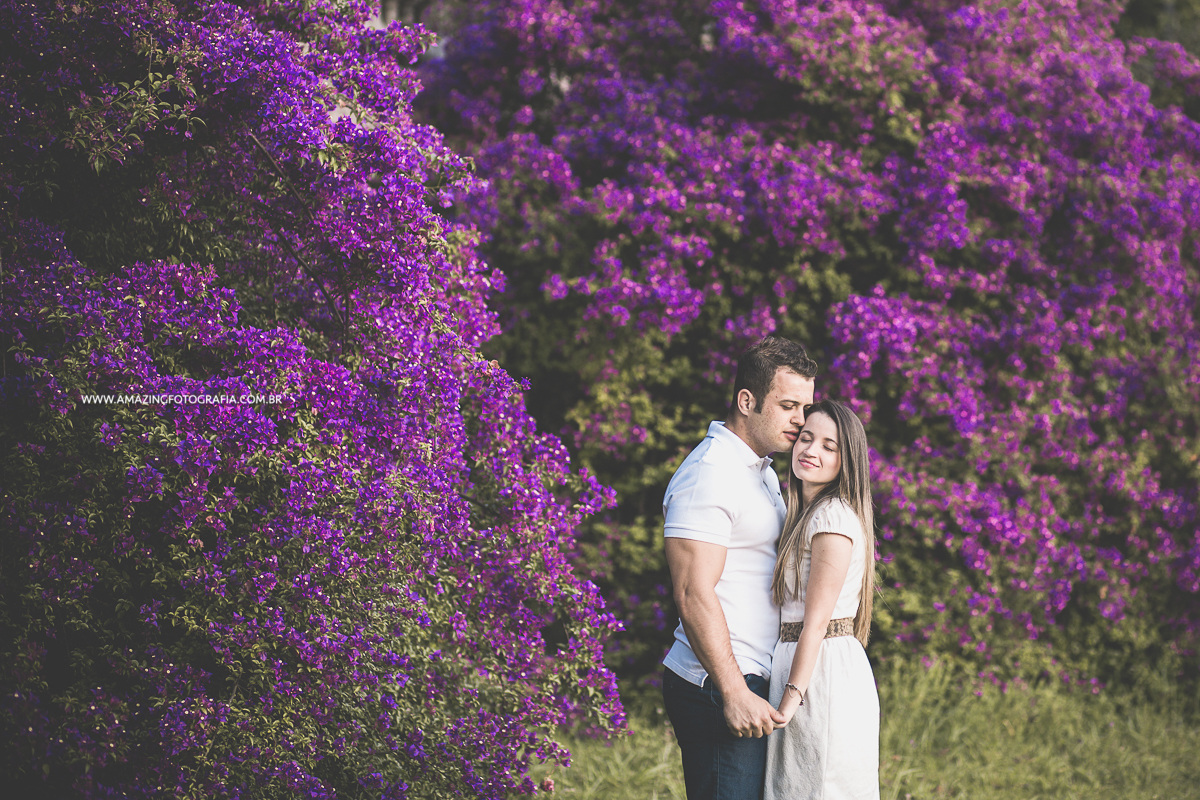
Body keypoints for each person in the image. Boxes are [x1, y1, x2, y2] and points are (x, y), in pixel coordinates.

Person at [662, 335, 819, 800]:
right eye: (789, 405)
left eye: (806, 408)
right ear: (746, 401)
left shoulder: (761, 471)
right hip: (718, 681)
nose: (801, 420)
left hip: (752, 677)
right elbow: (693, 592)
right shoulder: (710, 472)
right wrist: (732, 691)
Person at [765, 399, 879, 800]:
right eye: (806, 438)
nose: (811, 450)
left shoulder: (832, 518)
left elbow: (815, 621)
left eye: (829, 446)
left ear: (846, 460)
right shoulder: (808, 514)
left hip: (820, 674)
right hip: (803, 664)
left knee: (821, 787)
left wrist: (793, 696)